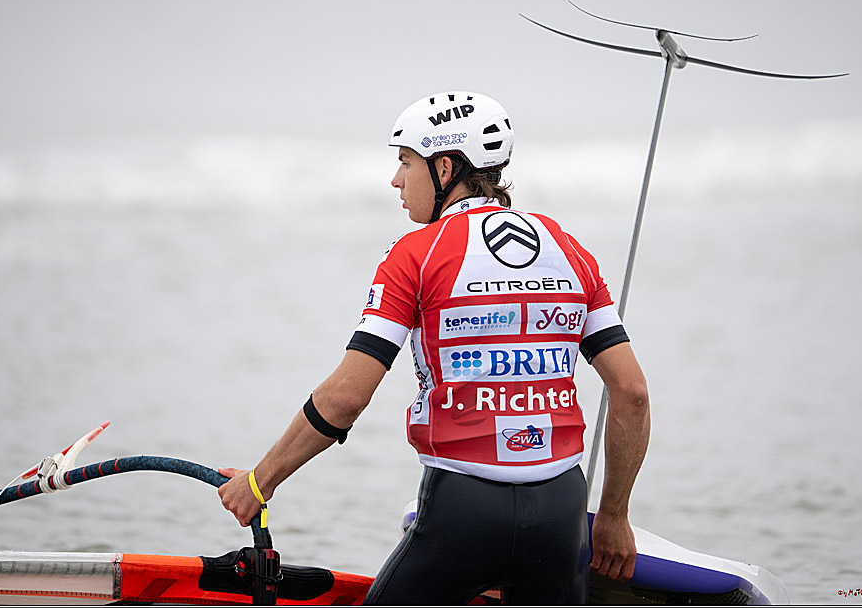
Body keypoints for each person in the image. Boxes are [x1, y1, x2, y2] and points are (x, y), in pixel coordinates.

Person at [219, 91, 650, 604]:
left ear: (445, 167)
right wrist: (614, 515)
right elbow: (632, 394)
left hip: (464, 510)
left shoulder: (415, 255)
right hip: (561, 512)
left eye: (405, 162)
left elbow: (346, 398)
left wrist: (260, 482)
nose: (396, 180)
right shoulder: (569, 249)